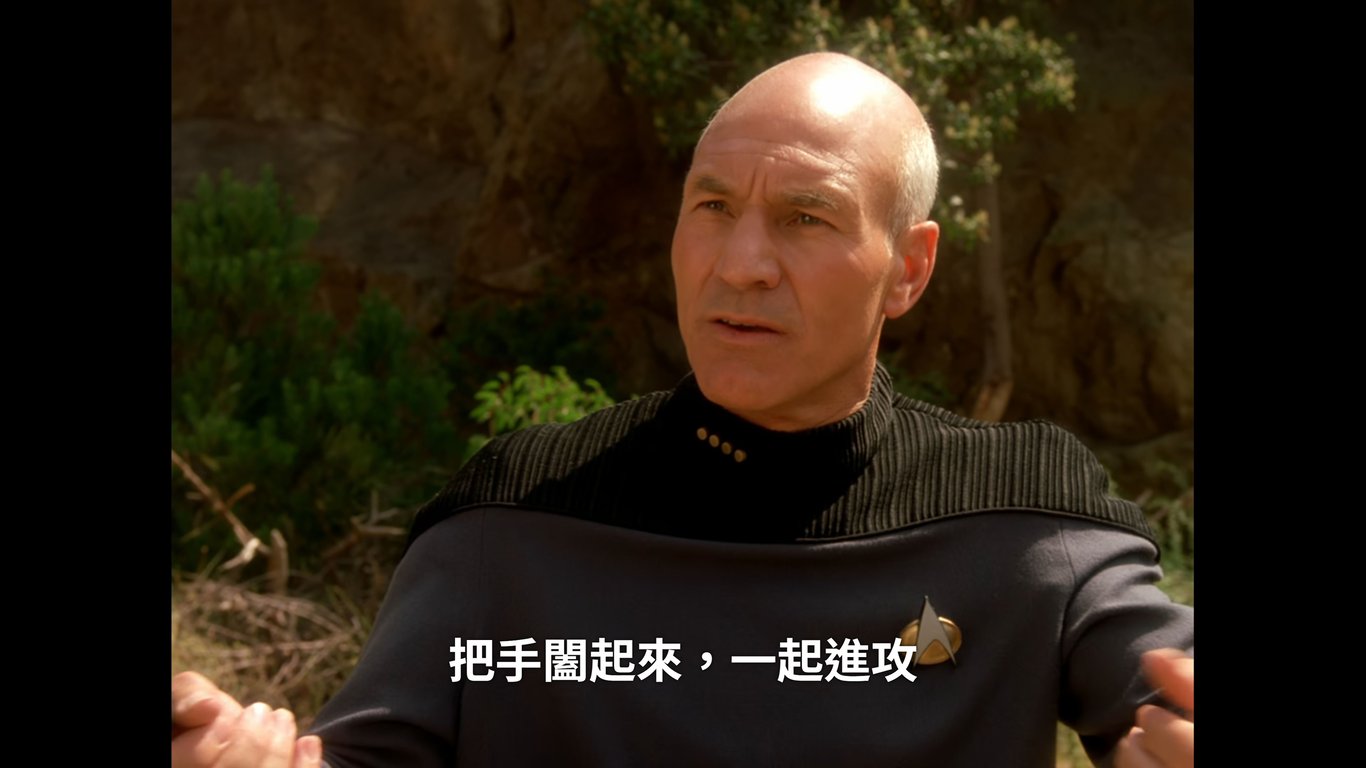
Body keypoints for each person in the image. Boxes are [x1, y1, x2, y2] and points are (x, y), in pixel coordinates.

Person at [172, 52, 1194, 767]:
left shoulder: (1025, 514)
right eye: (712, 207)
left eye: (805, 217)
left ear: (909, 269)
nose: (739, 265)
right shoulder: (514, 515)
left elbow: (1161, 683)